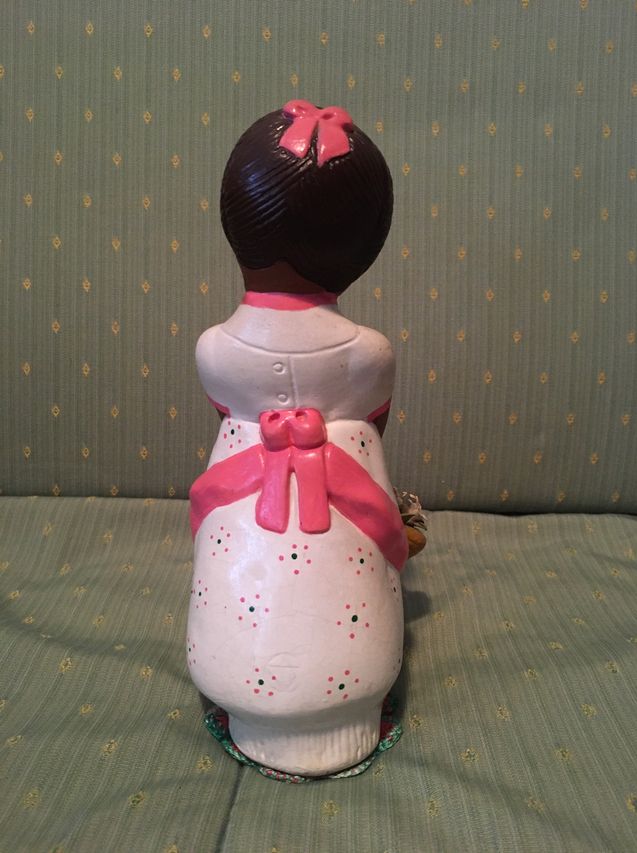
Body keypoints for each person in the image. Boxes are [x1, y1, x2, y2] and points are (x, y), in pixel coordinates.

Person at [187, 100, 407, 776]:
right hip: (342, 521)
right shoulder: (369, 354)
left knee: (240, 590)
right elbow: (374, 421)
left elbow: (225, 409)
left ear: (234, 220)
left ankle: (242, 679)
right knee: (346, 594)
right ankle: (350, 689)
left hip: (243, 519)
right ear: (368, 240)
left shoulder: (215, 349)